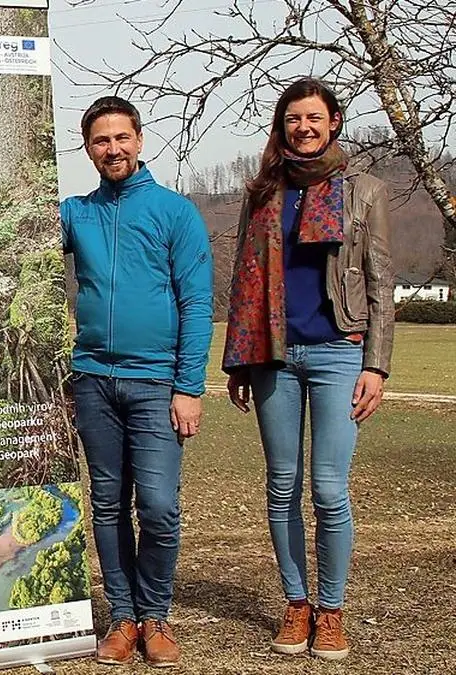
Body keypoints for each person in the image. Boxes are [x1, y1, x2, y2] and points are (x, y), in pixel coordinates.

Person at [223, 77, 393, 661]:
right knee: (282, 486)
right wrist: (241, 360)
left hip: (339, 353)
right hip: (274, 356)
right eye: (293, 118)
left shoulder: (363, 192)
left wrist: (377, 365)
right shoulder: (263, 193)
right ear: (283, 126)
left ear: (335, 122)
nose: (304, 127)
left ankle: (332, 608)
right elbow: (245, 279)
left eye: (314, 117)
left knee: (328, 488)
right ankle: (296, 604)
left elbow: (380, 285)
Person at [60, 96, 213, 668]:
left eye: (122, 137)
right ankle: (122, 619)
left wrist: (189, 386)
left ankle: (156, 616)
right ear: (88, 148)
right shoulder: (76, 214)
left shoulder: (176, 213)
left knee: (157, 506)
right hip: (94, 379)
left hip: (156, 383)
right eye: (101, 141)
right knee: (106, 503)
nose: (113, 149)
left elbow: (197, 305)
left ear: (140, 141)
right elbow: (18, 242)